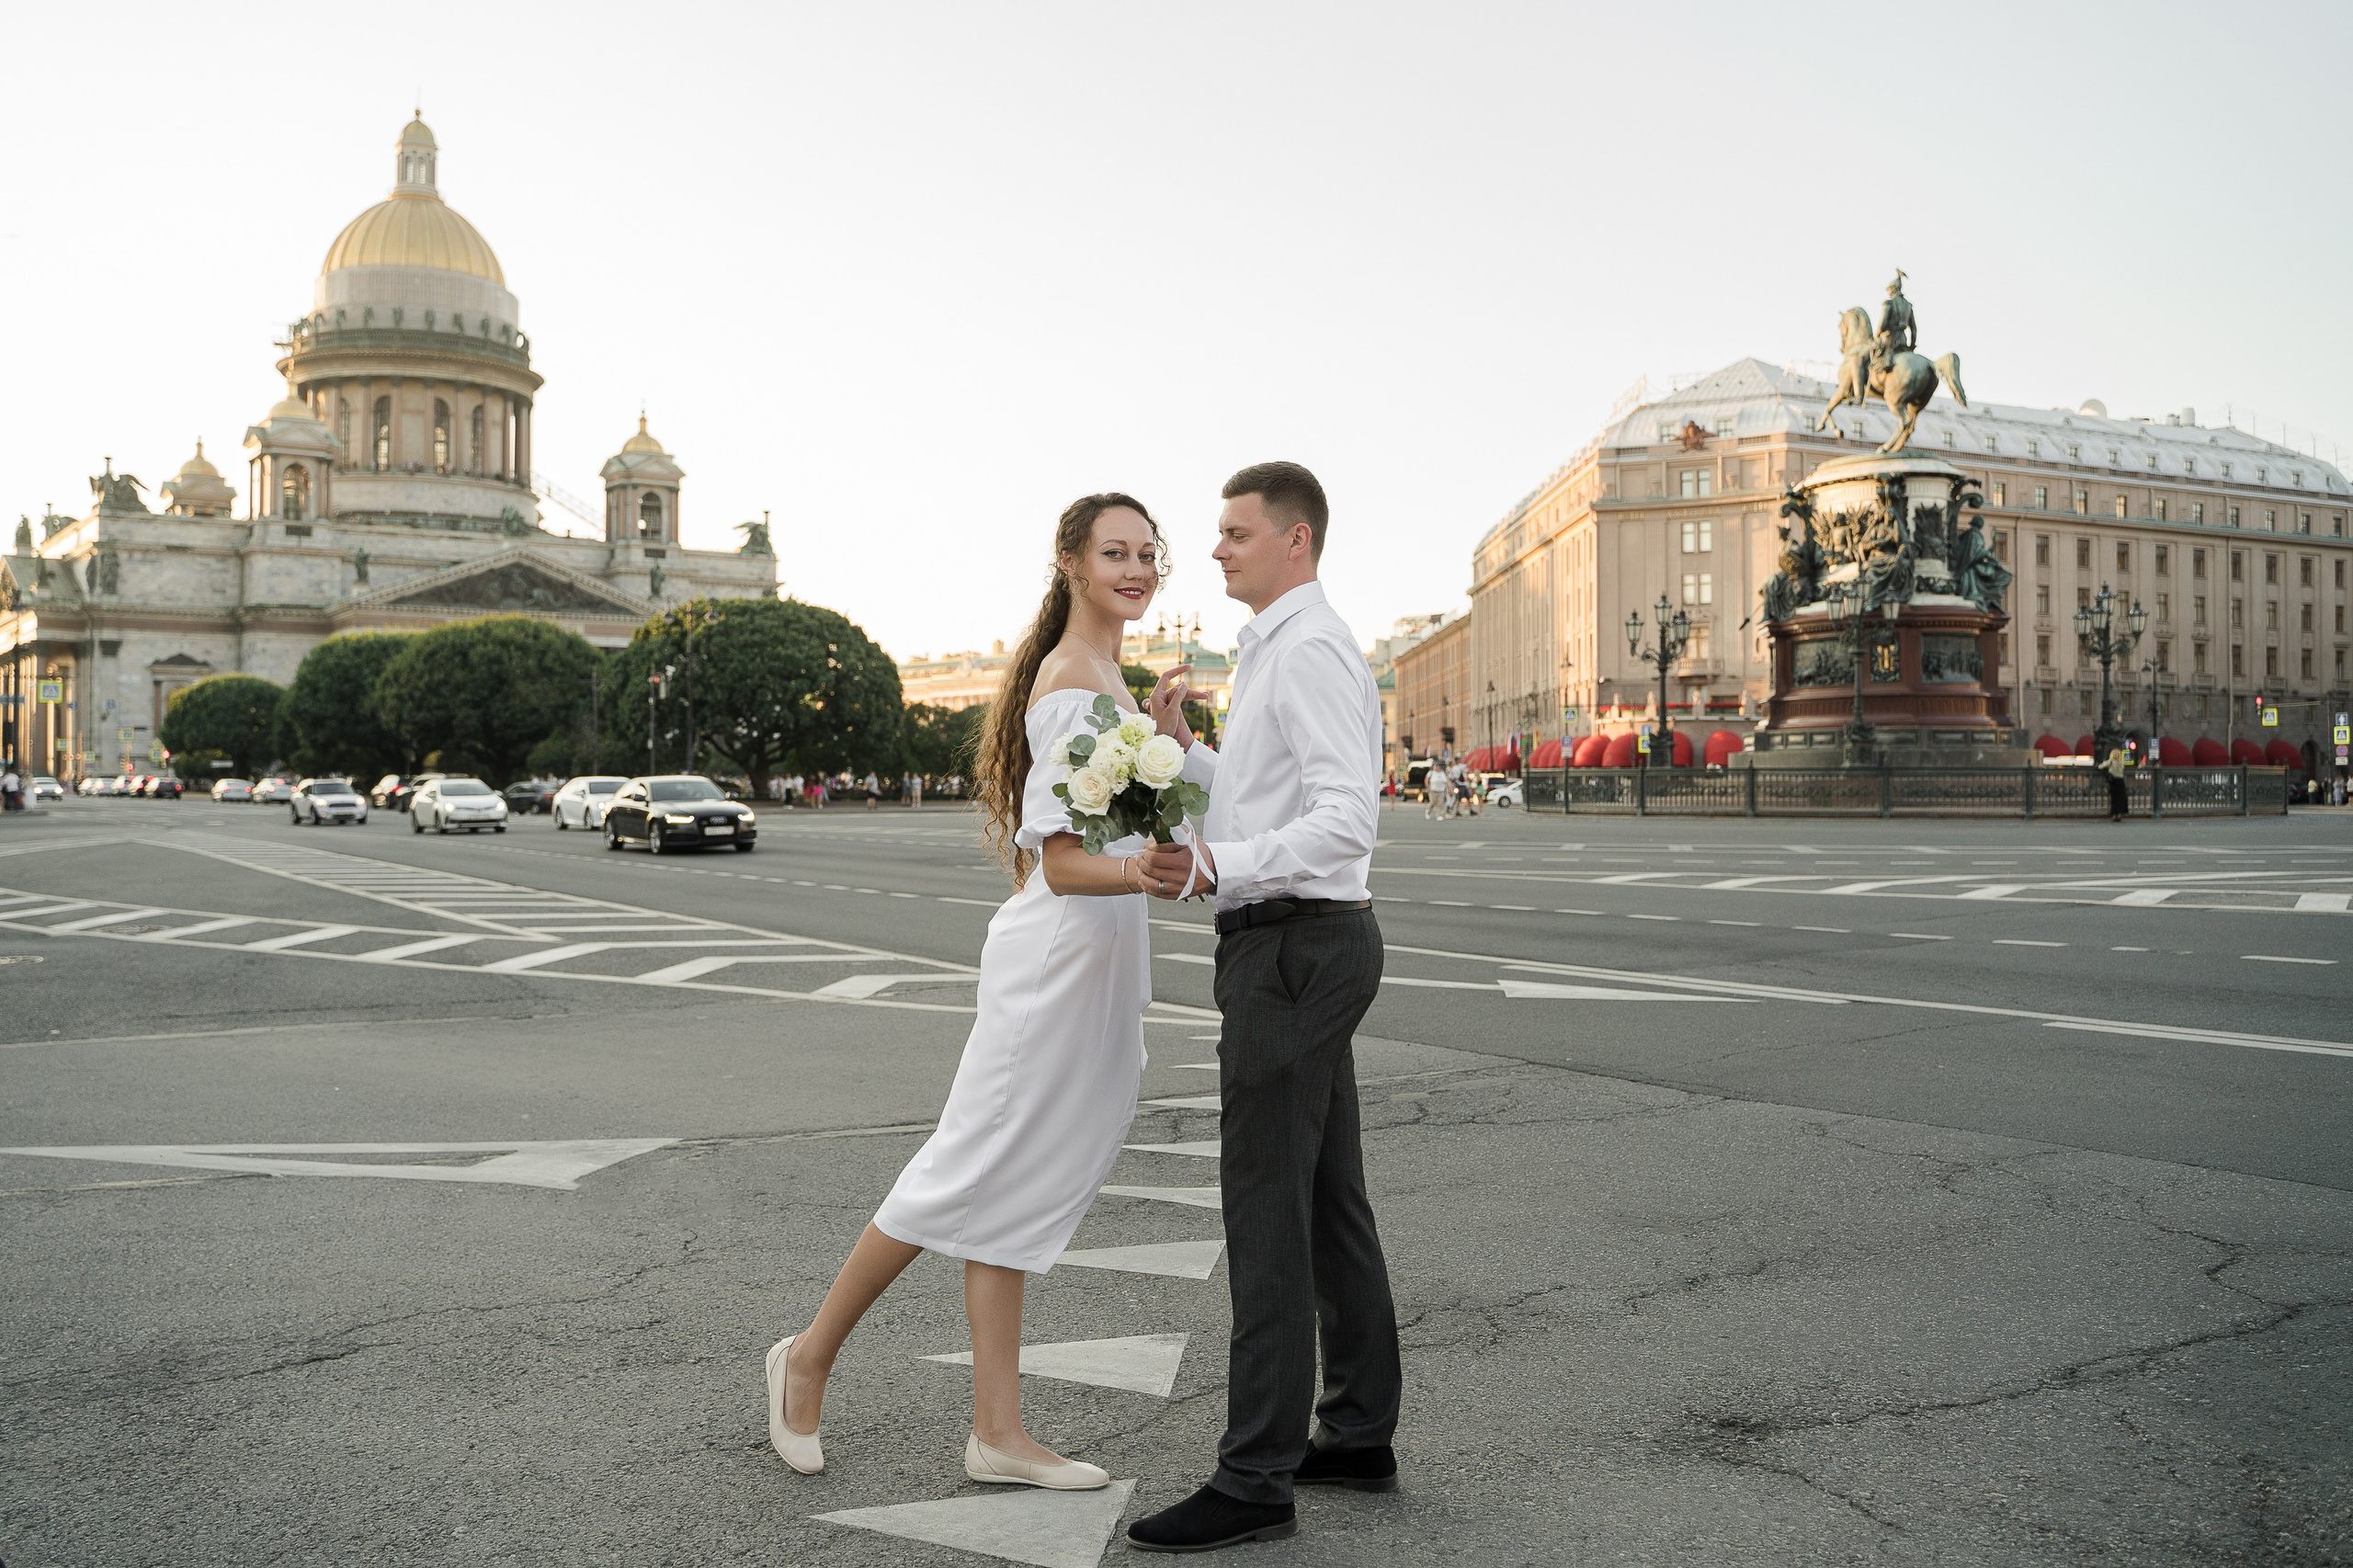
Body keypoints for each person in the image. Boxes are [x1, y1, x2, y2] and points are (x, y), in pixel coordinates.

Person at [769, 494, 1169, 1493]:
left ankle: (998, 1432)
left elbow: (1118, 828)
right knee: (962, 1169)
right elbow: (1068, 862)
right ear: (1071, 562)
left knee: (1017, 1184)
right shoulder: (1073, 682)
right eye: (1114, 551)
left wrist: (1160, 741)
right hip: (1056, 962)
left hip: (1095, 962)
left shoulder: (1107, 677)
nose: (1136, 567)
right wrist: (1145, 871)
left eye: (1148, 553)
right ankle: (806, 1357)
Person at [1130, 461, 1400, 1553]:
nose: (1215, 549)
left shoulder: (1312, 646)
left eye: (1235, 532)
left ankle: (1255, 1475)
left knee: (1264, 1208)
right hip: (1297, 943)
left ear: (1295, 539)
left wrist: (1210, 863)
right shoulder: (1277, 650)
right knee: (1328, 1198)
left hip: (1293, 944)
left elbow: (1345, 819)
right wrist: (1189, 747)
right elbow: (1263, 786)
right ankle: (1357, 1430)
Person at [2099, 745, 2131, 822]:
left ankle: (2114, 815)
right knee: (2121, 799)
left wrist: (2104, 763)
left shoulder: (2110, 762)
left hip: (2114, 782)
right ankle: (2120, 814)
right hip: (2121, 782)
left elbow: (2100, 767)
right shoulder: (2121, 763)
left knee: (2114, 799)